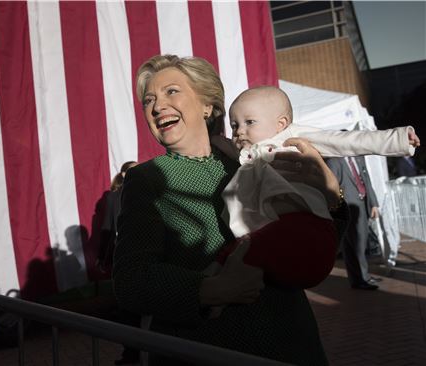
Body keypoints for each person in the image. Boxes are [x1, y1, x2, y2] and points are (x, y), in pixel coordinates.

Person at [113, 54, 349, 365]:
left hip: (291, 341)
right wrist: (210, 289)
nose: (157, 107)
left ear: (207, 105)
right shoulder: (146, 179)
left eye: (172, 91)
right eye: (148, 100)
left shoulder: (258, 156)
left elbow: (320, 242)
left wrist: (332, 197)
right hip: (206, 348)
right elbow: (131, 280)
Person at [207, 86, 420, 289]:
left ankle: (222, 275)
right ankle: (218, 277)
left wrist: (399, 139)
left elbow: (346, 141)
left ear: (281, 123)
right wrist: (213, 140)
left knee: (252, 250)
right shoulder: (248, 153)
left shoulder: (293, 137)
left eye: (249, 122)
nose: (239, 131)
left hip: (304, 220)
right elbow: (230, 148)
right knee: (243, 250)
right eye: (234, 125)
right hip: (270, 226)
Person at [326, 156, 383, 290]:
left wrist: (373, 204)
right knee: (357, 244)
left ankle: (361, 277)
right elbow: (332, 185)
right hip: (348, 207)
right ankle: (361, 279)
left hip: (362, 204)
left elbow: (366, 180)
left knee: (355, 244)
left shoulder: (358, 158)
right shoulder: (334, 161)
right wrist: (339, 209)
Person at [96, 160, 138, 273]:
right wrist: (101, 256)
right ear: (124, 174)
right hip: (123, 249)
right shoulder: (113, 198)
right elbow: (107, 228)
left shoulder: (149, 193)